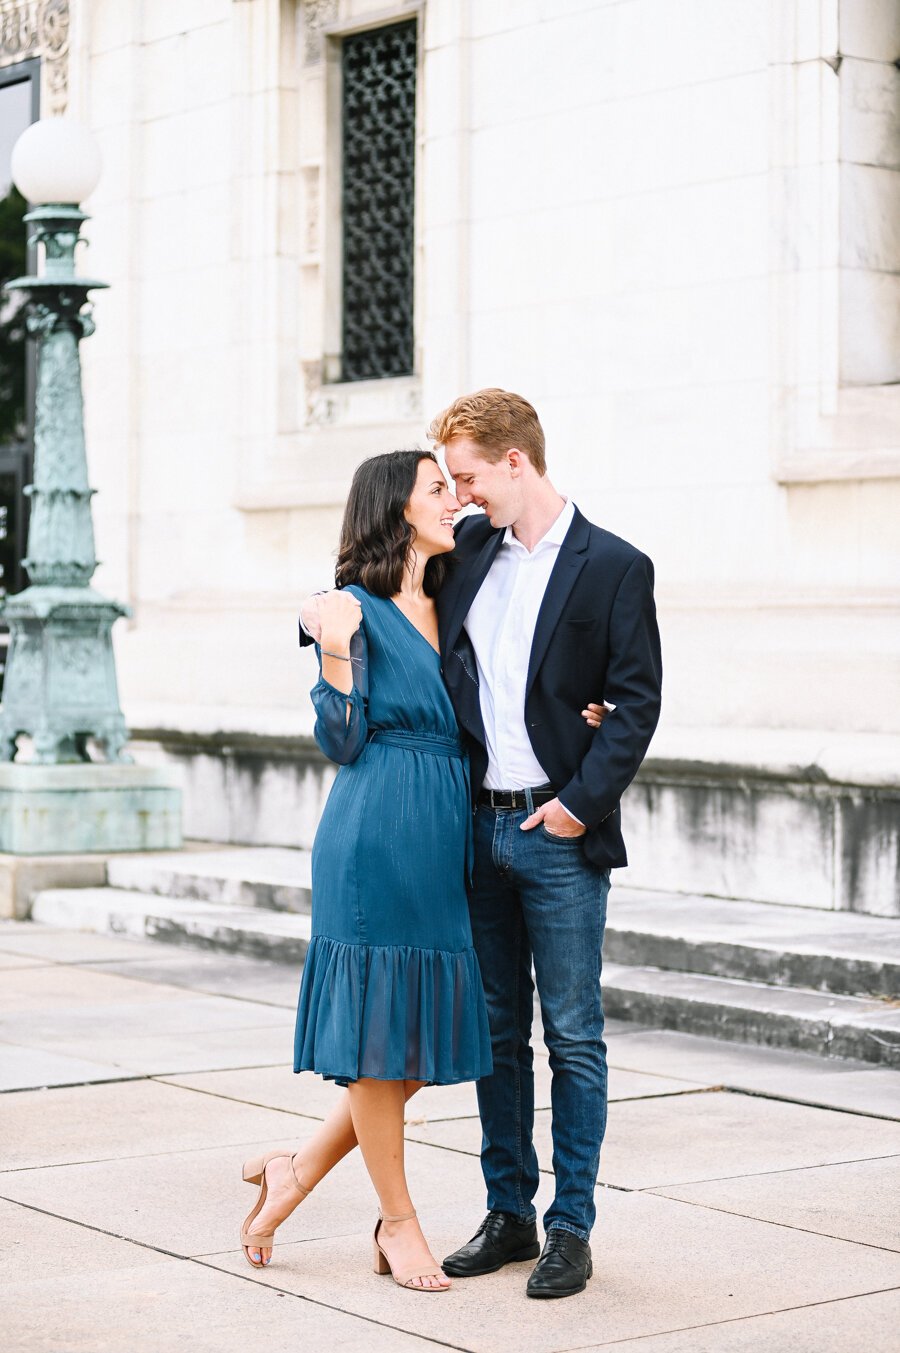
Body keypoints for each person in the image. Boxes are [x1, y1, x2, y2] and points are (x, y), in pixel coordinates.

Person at [301, 389, 662, 1300]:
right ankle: (510, 1212)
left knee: (572, 1035)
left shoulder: (616, 565)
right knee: (497, 1036)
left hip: (557, 829)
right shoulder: (463, 557)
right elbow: (373, 597)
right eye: (444, 482)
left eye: (464, 476)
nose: (456, 495)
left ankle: (570, 1225)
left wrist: (581, 800)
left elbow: (636, 701)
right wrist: (314, 619)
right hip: (468, 827)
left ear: (515, 462)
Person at [240, 450, 493, 1293]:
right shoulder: (348, 608)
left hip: (441, 834)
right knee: (383, 1044)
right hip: (374, 832)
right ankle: (398, 1221)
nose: (455, 498)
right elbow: (340, 738)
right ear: (395, 509)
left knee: (411, 1046)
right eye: (437, 488)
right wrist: (340, 651)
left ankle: (296, 1171)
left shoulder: (451, 594)